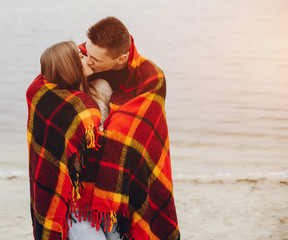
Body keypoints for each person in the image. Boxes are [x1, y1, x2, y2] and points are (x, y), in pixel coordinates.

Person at [75, 17, 180, 240]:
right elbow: (44, 85)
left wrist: (95, 132)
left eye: (94, 59)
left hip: (125, 179)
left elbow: (127, 133)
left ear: (121, 58)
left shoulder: (151, 77)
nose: (86, 59)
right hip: (80, 184)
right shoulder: (82, 54)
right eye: (87, 51)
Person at [26, 41, 103, 239]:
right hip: (72, 200)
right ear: (70, 66)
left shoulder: (94, 90)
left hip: (101, 196)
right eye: (81, 56)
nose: (87, 57)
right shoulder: (67, 107)